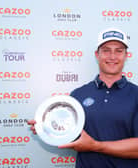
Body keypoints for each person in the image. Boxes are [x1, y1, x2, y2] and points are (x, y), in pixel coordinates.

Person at [27, 28, 138, 167]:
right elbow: (71, 136)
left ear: (126, 56)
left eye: (119, 51)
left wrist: (96, 146)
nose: (112, 56)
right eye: (106, 50)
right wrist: (47, 128)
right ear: (97, 55)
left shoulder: (136, 94)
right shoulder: (78, 94)